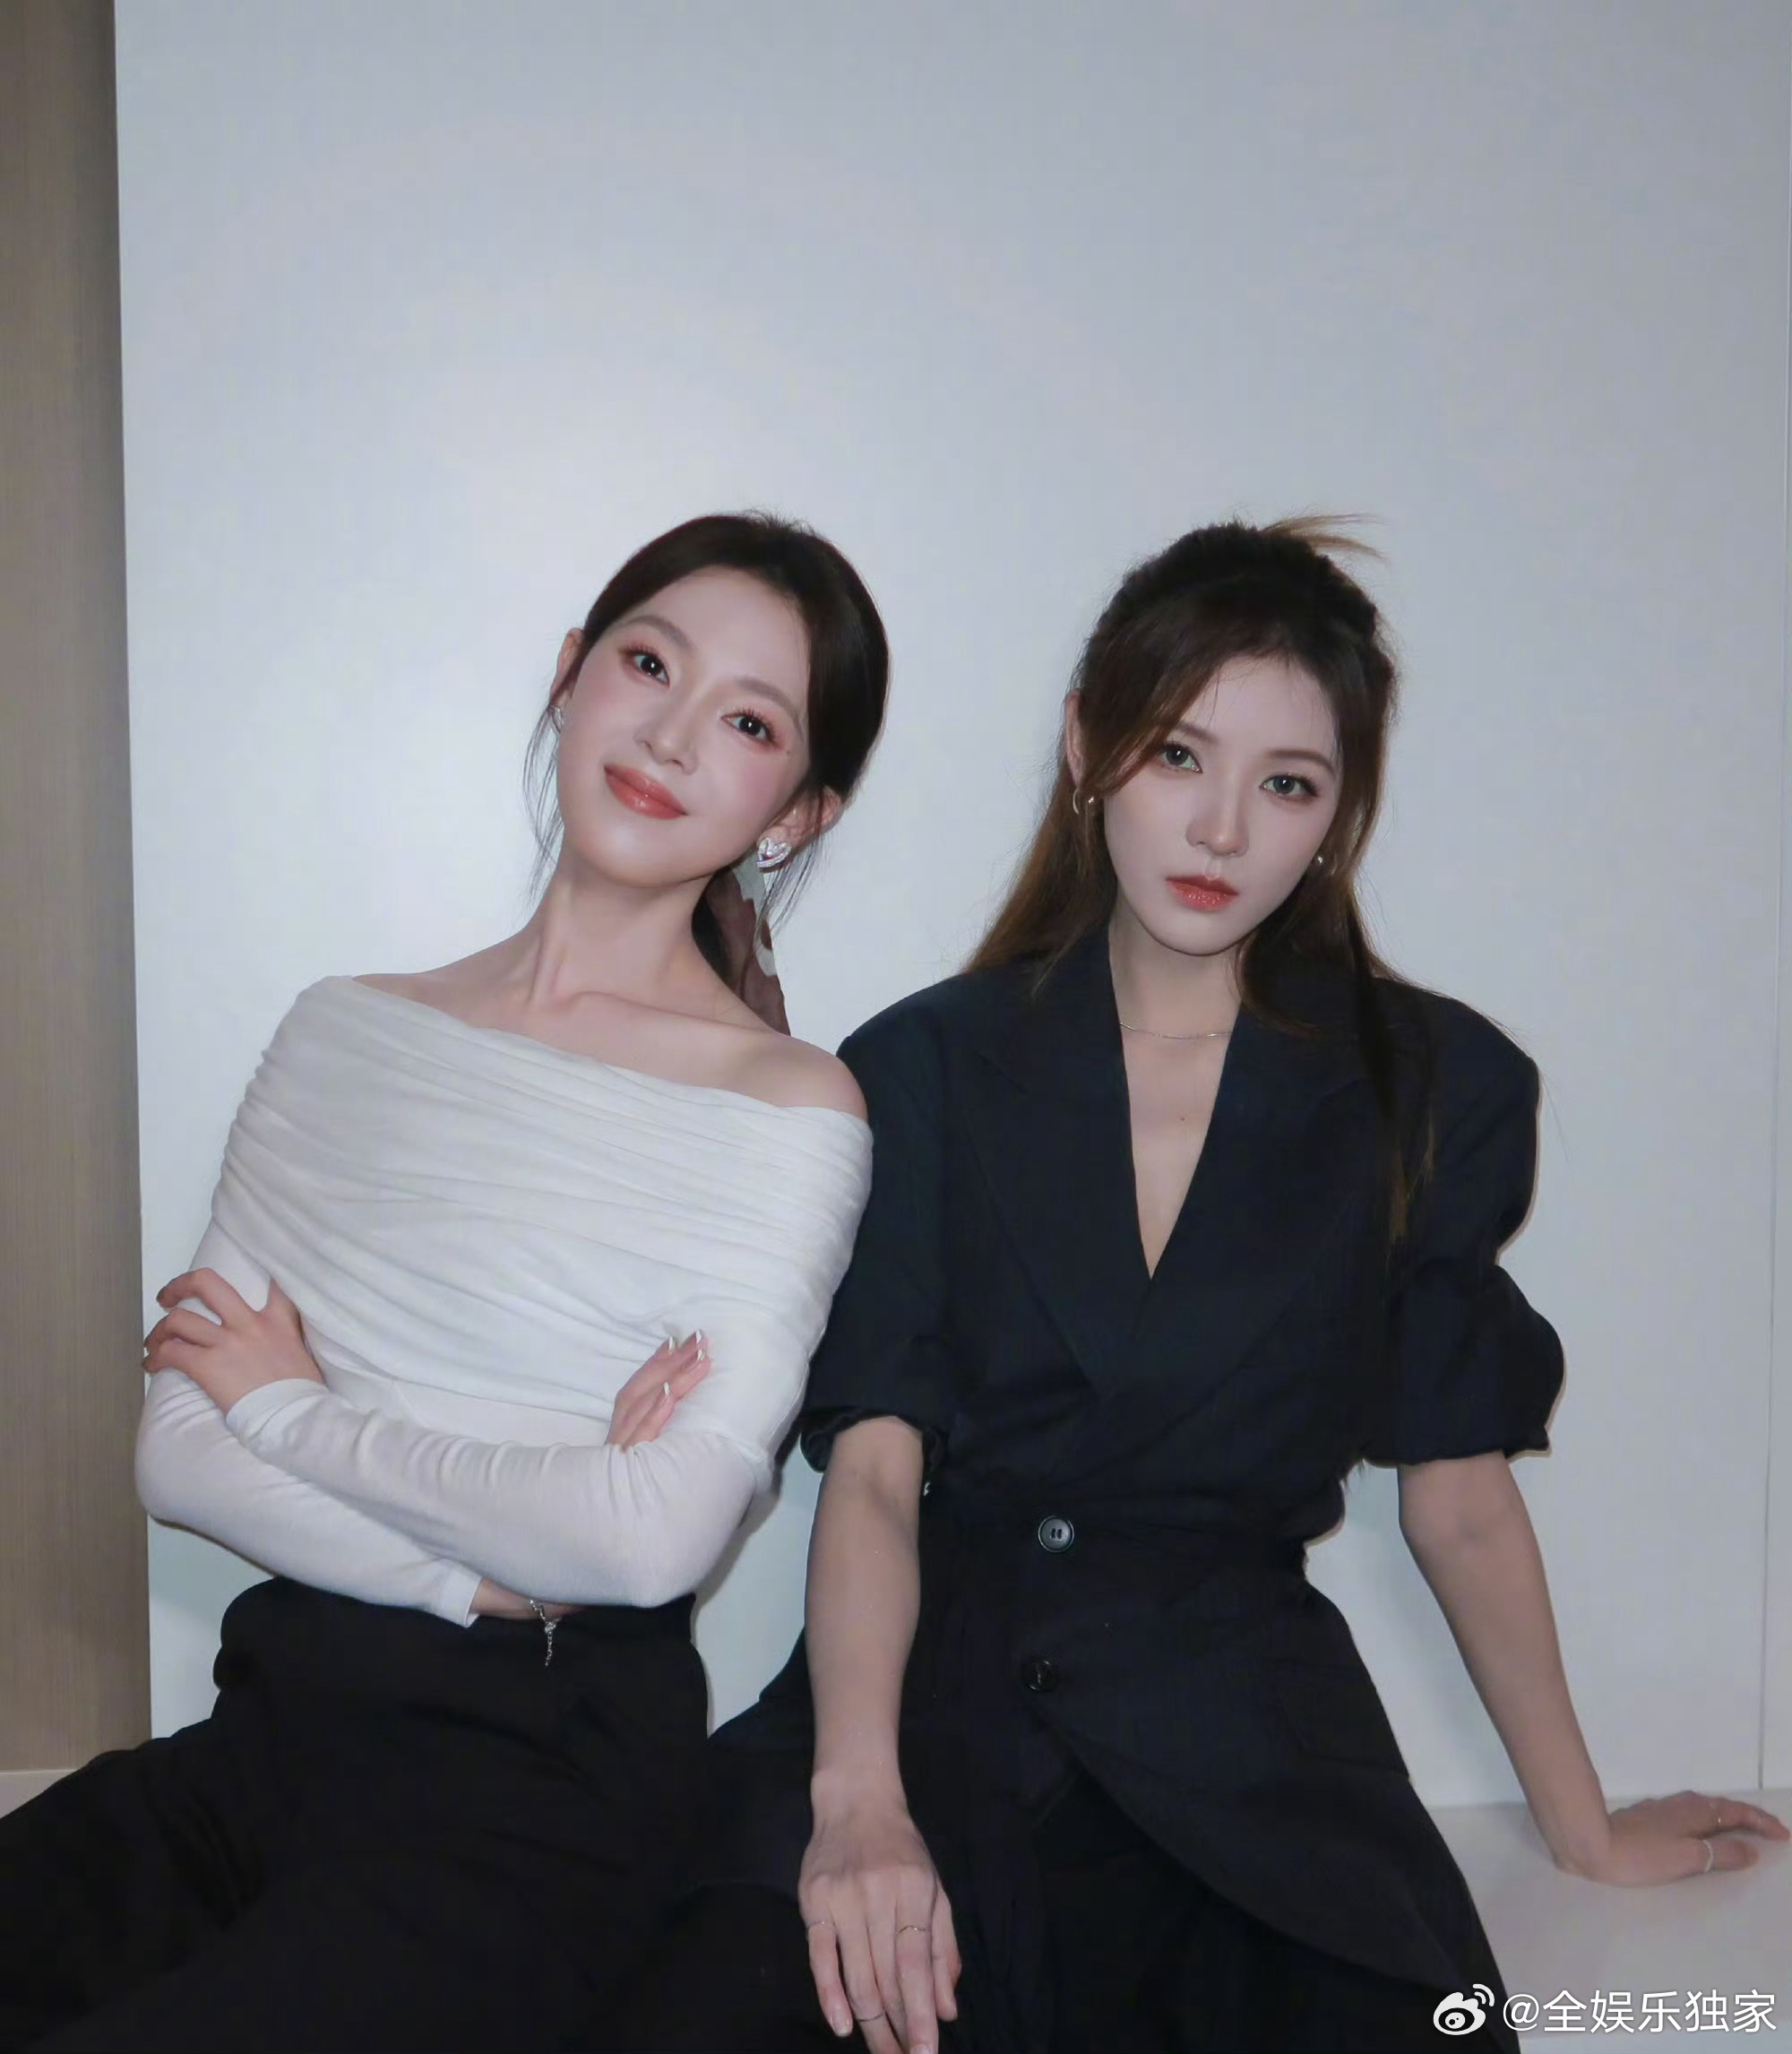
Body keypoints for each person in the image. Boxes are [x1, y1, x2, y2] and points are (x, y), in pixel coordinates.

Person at [607, 518, 1787, 2054]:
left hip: (1253, 1754)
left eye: (1287, 784)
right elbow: (875, 1476)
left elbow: (1459, 1497)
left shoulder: (1432, 1086)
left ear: (1338, 816)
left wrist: (1584, 1827)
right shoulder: (920, 1065)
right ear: (1088, 747)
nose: (1222, 830)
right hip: (931, 1711)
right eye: (1179, 755)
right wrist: (858, 1805)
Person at [0, 512, 889, 2054]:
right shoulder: (343, 1029)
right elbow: (178, 1450)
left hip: (532, 1800)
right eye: (648, 664)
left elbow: (650, 1535)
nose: (672, 735)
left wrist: (294, 1413)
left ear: (797, 814)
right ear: (571, 672)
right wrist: (492, 1576)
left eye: (748, 723)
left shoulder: (790, 1107)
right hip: (263, 1740)